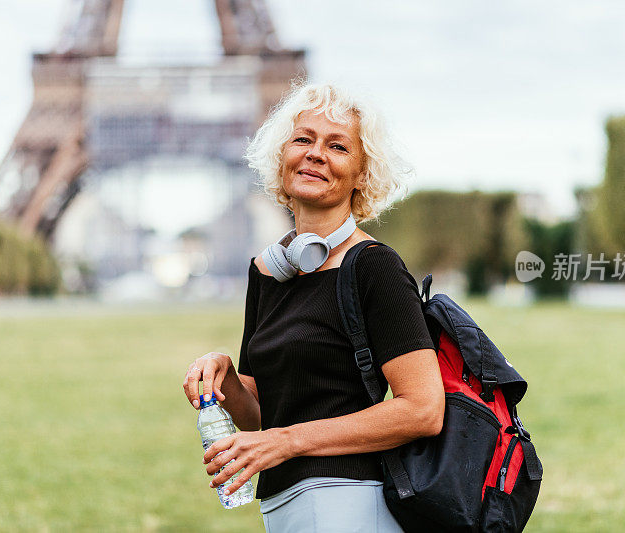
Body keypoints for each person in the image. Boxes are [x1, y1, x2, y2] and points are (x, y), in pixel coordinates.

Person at [182, 82, 444, 532]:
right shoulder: (267, 271)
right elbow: (264, 414)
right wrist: (227, 375)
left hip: (350, 501)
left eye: (337, 146)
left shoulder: (373, 266)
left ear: (363, 174)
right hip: (285, 506)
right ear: (280, 156)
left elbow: (423, 409)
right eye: (303, 139)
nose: (315, 153)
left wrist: (285, 442)